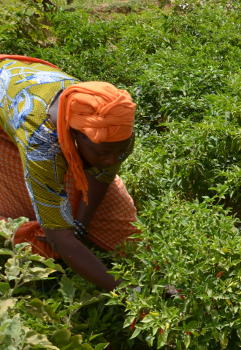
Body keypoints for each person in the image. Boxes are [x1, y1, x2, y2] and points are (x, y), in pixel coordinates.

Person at [0, 55, 138, 291]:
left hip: (27, 84)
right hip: (17, 105)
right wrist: (129, 292)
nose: (113, 160)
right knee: (29, 217)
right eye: (102, 152)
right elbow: (60, 239)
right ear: (75, 135)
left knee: (117, 222)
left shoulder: (114, 125)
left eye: (118, 151)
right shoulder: (41, 141)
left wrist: (80, 224)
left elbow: (102, 174)